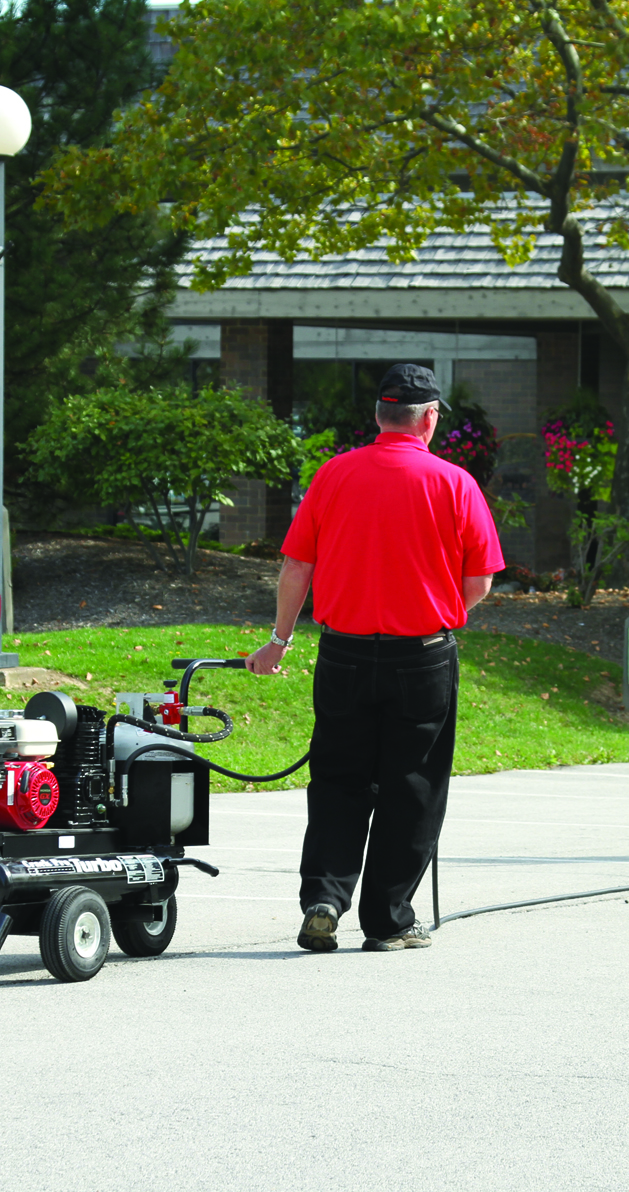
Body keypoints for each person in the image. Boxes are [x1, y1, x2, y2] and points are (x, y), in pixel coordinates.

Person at [245, 364, 504, 952]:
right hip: (424, 658)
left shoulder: (334, 475)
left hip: (344, 654)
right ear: (430, 417)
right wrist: (440, 611)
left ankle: (323, 900)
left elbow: (296, 567)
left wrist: (280, 641)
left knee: (337, 779)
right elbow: (481, 579)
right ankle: (388, 920)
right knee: (412, 787)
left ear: (380, 416)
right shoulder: (454, 483)